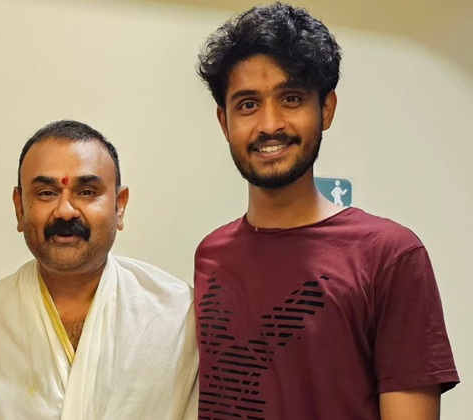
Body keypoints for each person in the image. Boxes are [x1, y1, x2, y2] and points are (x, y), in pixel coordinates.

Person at [193, 3, 458, 419]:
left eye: (291, 99)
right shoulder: (210, 255)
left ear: (326, 109)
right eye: (247, 104)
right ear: (224, 122)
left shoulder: (390, 256)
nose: (269, 124)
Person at [0, 120, 198, 420]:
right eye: (45, 193)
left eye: (87, 192)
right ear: (19, 208)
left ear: (119, 206)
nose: (65, 211)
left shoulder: (179, 316)